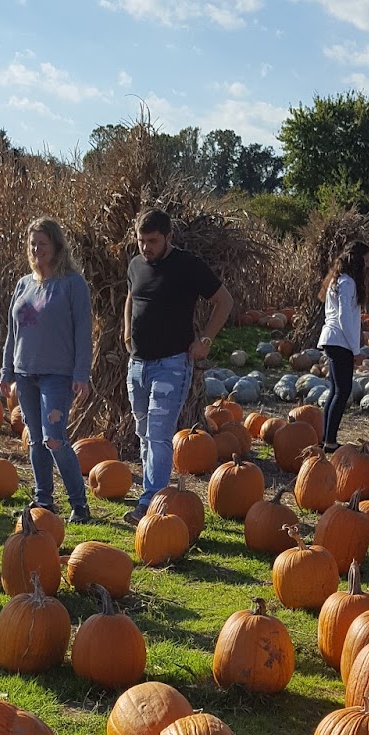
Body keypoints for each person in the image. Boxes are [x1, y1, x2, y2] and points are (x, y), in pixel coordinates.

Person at [124, 208, 232, 521]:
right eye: (142, 241)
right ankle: (151, 495)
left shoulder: (188, 265)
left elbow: (224, 301)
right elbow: (131, 296)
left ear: (168, 237)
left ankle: (150, 503)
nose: (146, 247)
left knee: (159, 434)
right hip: (138, 365)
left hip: (171, 364)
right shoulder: (135, 265)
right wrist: (127, 331)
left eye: (153, 241)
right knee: (143, 432)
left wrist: (205, 340)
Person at [0, 217, 93, 524]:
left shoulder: (72, 284)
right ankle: (43, 501)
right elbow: (13, 332)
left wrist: (81, 373)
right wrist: (6, 370)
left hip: (58, 374)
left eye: (42, 243)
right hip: (25, 373)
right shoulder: (23, 284)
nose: (36, 249)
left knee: (54, 438)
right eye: (32, 244)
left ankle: (79, 505)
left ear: (56, 246)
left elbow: (83, 331)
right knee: (35, 438)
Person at [318, 242, 367, 452]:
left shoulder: (336, 281)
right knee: (342, 391)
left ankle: (325, 438)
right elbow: (344, 318)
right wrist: (356, 350)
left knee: (335, 391)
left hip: (332, 339)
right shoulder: (347, 283)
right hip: (340, 341)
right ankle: (329, 441)